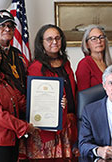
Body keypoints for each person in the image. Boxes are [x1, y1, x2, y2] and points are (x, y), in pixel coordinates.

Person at [24, 24, 78, 160]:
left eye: (57, 38)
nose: (54, 42)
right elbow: (37, 104)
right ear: (41, 43)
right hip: (48, 130)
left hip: (69, 125)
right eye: (49, 39)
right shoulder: (36, 67)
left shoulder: (66, 63)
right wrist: (46, 134)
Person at [76, 25, 112, 91]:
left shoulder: (108, 63)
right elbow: (83, 96)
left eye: (101, 37)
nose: (99, 41)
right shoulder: (84, 64)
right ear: (87, 44)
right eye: (93, 38)